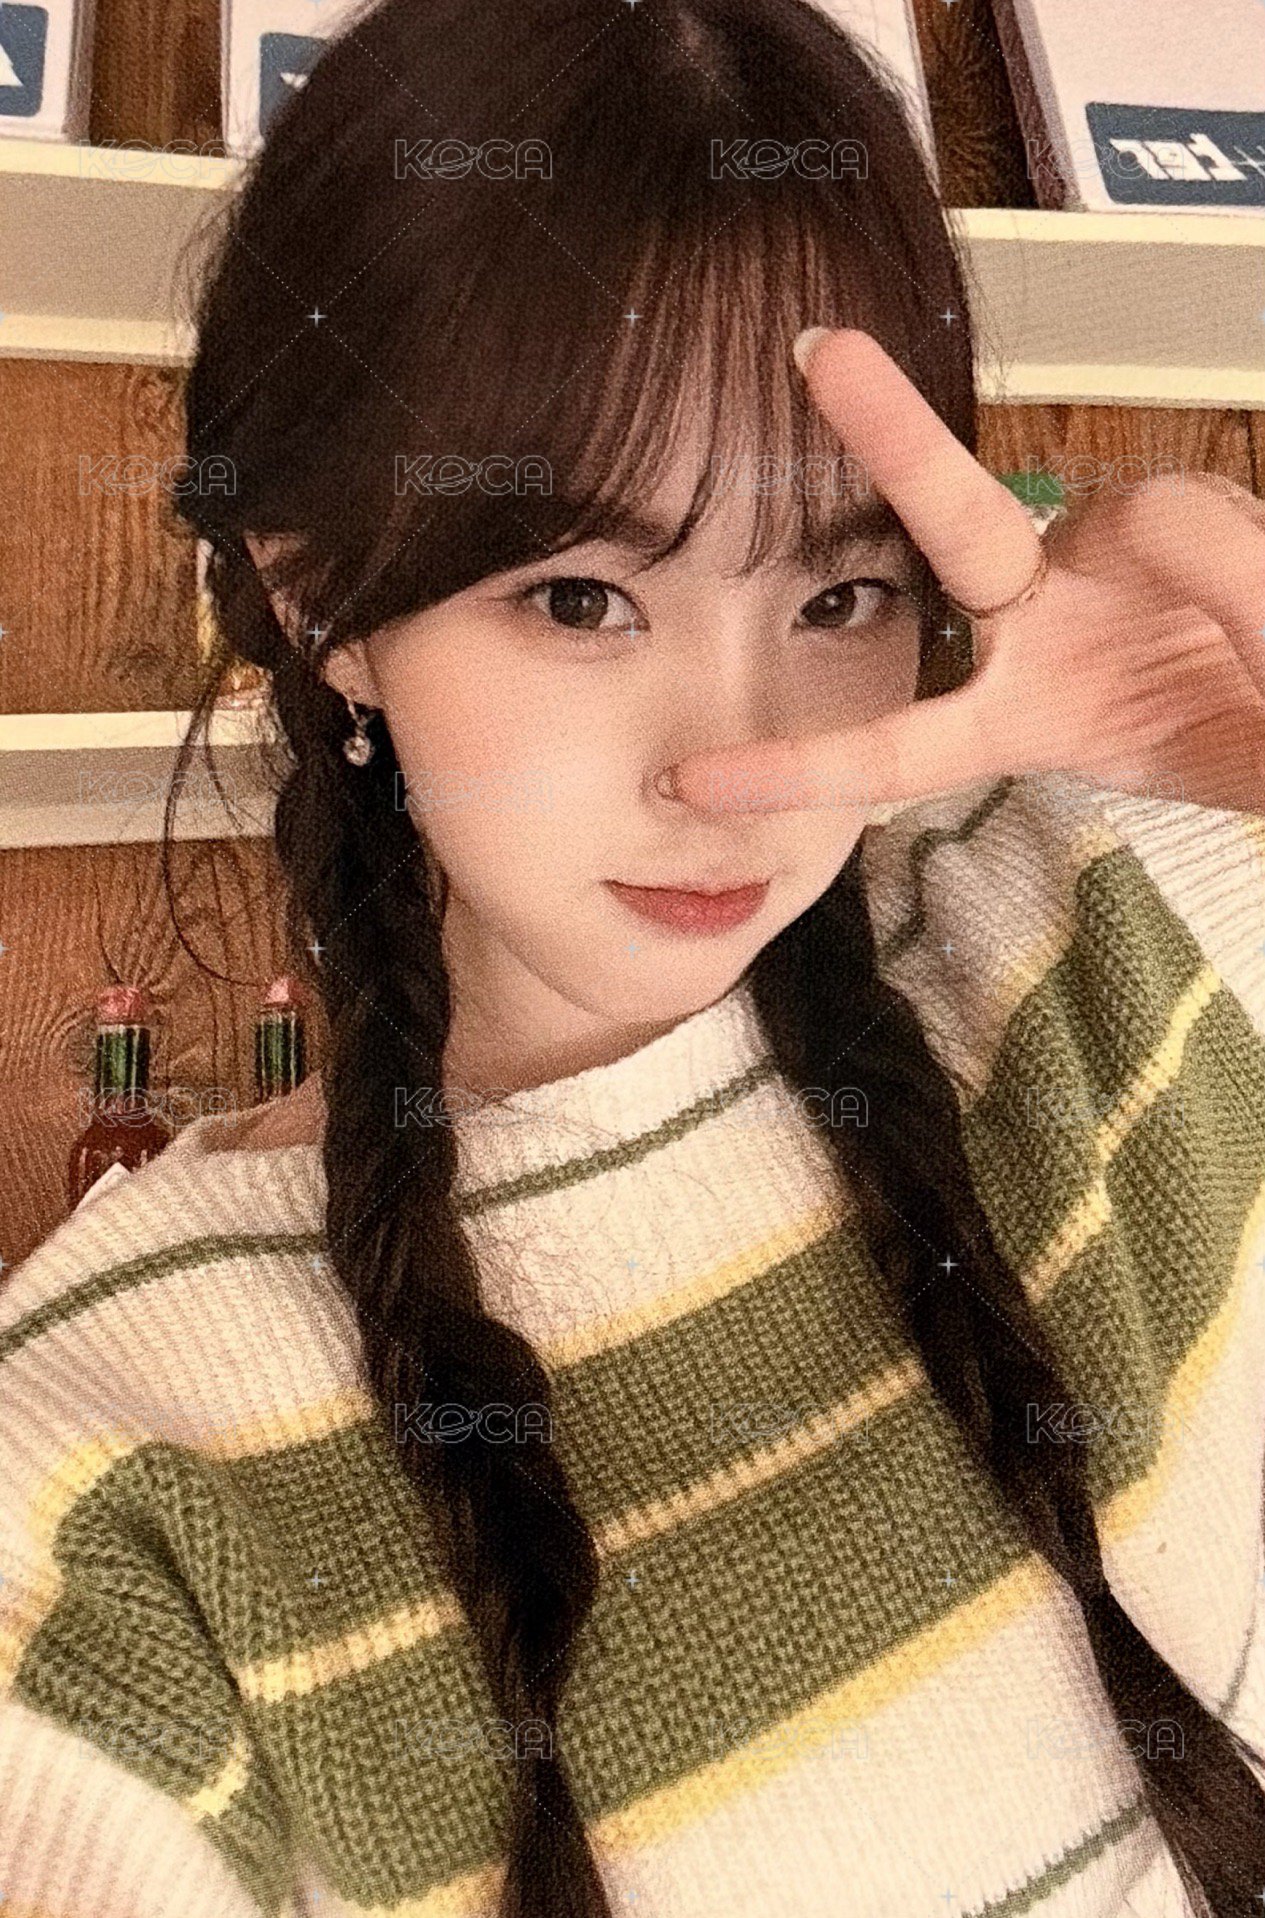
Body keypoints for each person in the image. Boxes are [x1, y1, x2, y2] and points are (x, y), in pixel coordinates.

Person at [3, 1, 1265, 1913]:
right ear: (320, 600)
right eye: (581, 597)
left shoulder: (1110, 920)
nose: (728, 763)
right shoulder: (103, 1474)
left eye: (838, 592)